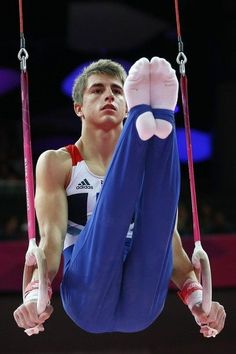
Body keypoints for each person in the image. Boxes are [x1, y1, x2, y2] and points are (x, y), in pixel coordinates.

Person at [13, 57, 226, 337]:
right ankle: (151, 120)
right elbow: (52, 241)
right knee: (110, 220)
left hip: (142, 305)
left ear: (125, 105)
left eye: (117, 91)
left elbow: (167, 243)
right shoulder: (58, 163)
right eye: (97, 90)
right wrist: (34, 294)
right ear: (79, 107)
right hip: (87, 289)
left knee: (154, 227)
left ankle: (162, 118)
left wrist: (198, 299)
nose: (109, 96)